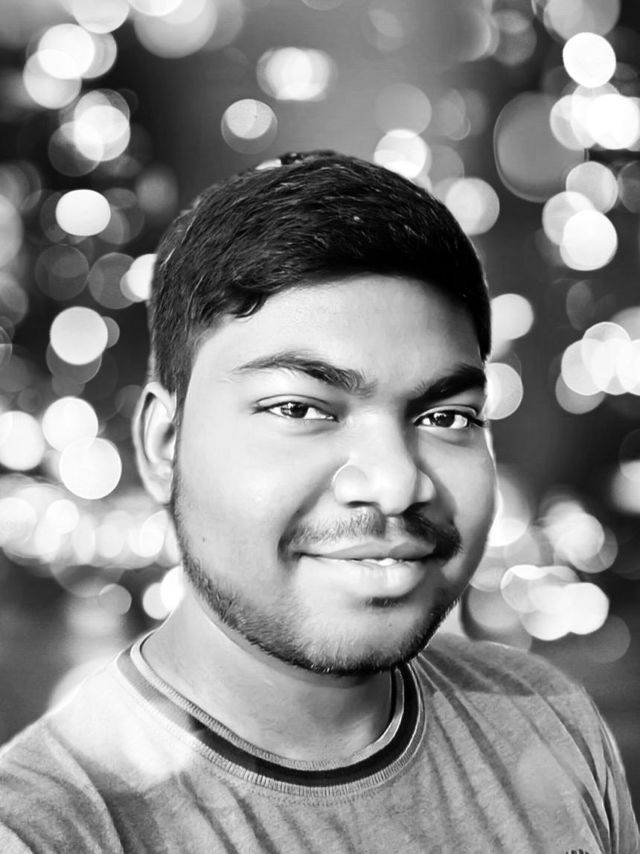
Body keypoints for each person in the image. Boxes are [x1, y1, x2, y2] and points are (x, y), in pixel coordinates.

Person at [0, 150, 637, 853]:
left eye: (446, 416)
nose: (395, 483)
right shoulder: (46, 829)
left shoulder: (551, 720)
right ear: (164, 444)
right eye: (300, 408)